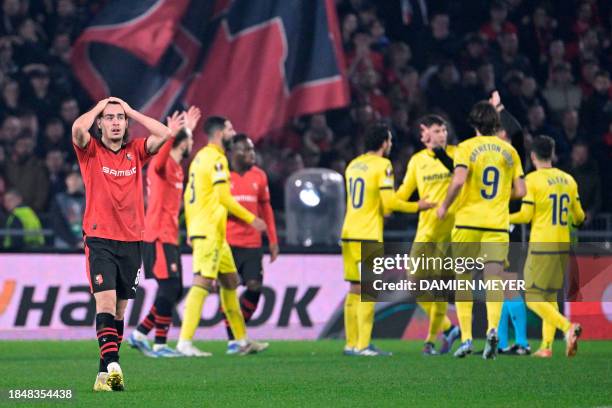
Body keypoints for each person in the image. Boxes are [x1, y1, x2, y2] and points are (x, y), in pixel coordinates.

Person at [72, 97, 172, 392]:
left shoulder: (135, 151)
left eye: (119, 118)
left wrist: (131, 111)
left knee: (118, 312)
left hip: (132, 241)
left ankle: (104, 376)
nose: (115, 122)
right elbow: (78, 128)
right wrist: (100, 105)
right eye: (109, 118)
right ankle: (115, 364)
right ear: (100, 123)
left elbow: (165, 134)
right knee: (104, 303)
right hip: (100, 238)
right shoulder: (90, 151)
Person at [437, 101, 526, 359]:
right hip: (497, 225)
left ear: (474, 124)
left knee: (463, 281)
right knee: (494, 281)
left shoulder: (466, 147)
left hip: (467, 223)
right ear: (496, 124)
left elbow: (459, 179)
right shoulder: (509, 151)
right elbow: (521, 191)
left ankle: (465, 339)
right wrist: (498, 198)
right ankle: (491, 330)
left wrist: (444, 205)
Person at [177, 116, 268, 357]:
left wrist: (190, 227)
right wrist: (252, 219)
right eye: (229, 128)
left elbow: (189, 194)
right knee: (202, 282)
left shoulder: (199, 158)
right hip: (209, 230)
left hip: (210, 230)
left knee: (229, 281)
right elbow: (224, 198)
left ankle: (240, 341)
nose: (233, 131)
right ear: (219, 134)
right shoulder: (217, 159)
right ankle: (184, 342)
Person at [342, 122, 434, 357]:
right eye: (390, 140)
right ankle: (363, 346)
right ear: (384, 143)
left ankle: (351, 343)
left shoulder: (353, 164)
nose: (391, 144)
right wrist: (418, 205)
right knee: (369, 290)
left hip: (349, 231)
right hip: (367, 233)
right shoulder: (383, 165)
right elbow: (389, 203)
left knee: (354, 288)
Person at [129, 107, 201, 357]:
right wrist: (172, 132)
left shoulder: (178, 168)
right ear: (181, 143)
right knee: (169, 289)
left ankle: (140, 334)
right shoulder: (162, 165)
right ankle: (159, 344)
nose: (192, 142)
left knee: (175, 289)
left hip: (169, 237)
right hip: (157, 236)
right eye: (191, 139)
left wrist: (187, 129)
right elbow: (158, 158)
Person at [509, 135, 584, 357]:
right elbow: (579, 217)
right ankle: (547, 347)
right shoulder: (568, 180)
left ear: (533, 156)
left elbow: (525, 215)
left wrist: (503, 216)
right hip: (562, 245)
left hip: (542, 244)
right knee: (549, 296)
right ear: (551, 154)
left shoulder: (532, 180)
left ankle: (567, 327)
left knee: (532, 298)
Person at [395, 115, 460, 355]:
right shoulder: (417, 161)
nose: (442, 134)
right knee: (414, 284)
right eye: (436, 130)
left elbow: (461, 176)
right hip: (425, 232)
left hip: (449, 233)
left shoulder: (457, 154)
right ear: (426, 135)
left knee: (440, 287)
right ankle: (448, 328)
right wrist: (385, 199)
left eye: (444, 129)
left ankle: (430, 341)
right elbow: (403, 193)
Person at [221, 133, 278, 354]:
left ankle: (238, 332)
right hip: (228, 243)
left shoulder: (260, 176)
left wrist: (273, 240)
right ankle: (234, 340)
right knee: (229, 290)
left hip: (253, 244)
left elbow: (267, 210)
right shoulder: (222, 176)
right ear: (233, 153)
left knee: (255, 287)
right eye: (246, 150)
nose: (252, 154)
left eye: (252, 149)